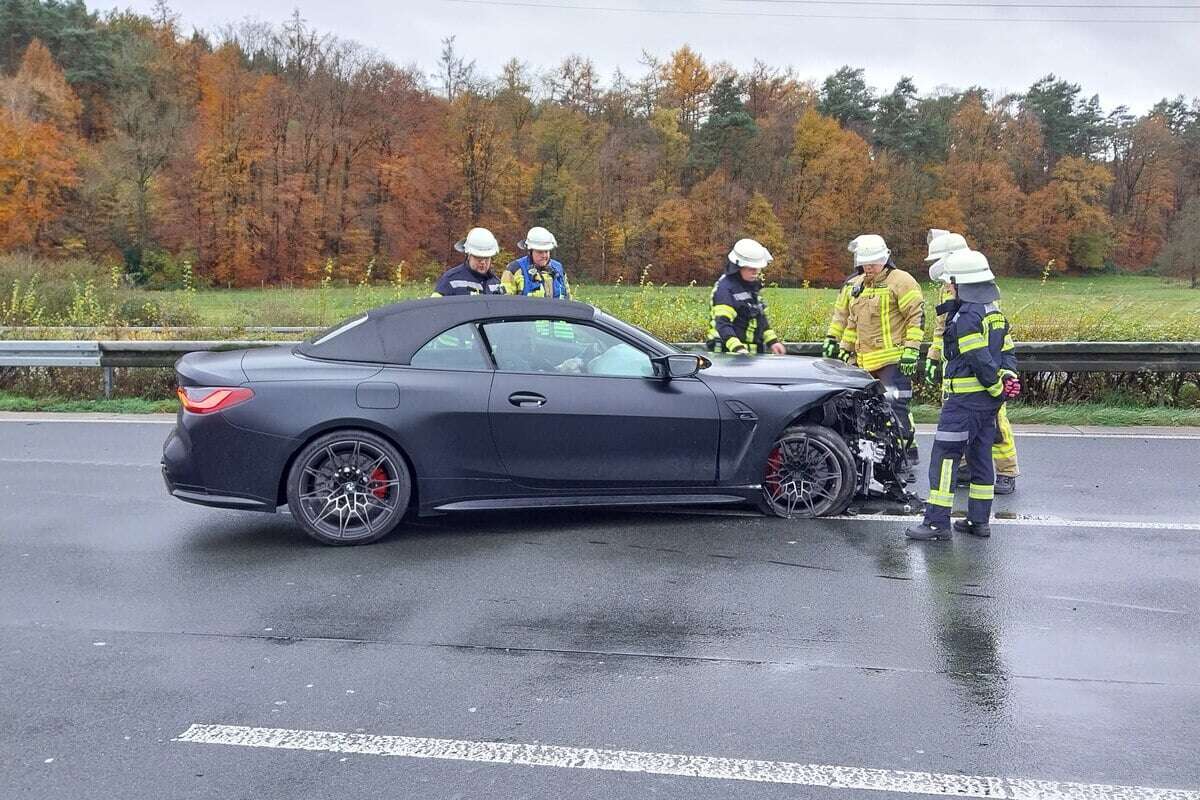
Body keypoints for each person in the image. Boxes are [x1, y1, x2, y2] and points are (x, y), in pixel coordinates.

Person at [906, 249, 1020, 541]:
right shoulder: (994, 311)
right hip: (987, 406)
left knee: (945, 459)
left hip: (964, 404)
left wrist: (995, 384)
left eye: (950, 284)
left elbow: (977, 357)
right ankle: (978, 522)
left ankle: (936, 524)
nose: (947, 288)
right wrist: (1006, 380)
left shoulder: (967, 315)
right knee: (981, 458)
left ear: (961, 284)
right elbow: (1007, 352)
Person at [925, 230, 1020, 495]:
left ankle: (1006, 471)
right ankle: (966, 466)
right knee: (960, 426)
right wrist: (934, 357)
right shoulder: (949, 289)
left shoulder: (978, 288)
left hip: (984, 373)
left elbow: (994, 338)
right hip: (956, 371)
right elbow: (942, 329)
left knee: (996, 424)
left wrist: (1001, 377)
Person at [836, 234, 924, 463]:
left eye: (873, 263)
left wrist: (912, 350)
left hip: (892, 361)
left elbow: (915, 317)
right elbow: (853, 322)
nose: (868, 268)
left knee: (895, 409)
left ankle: (903, 456)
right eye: (864, 264)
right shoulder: (857, 286)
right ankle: (883, 457)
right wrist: (845, 349)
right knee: (869, 412)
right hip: (864, 362)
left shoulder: (901, 281)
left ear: (885, 259)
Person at [706, 238, 787, 355]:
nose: (756, 272)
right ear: (738, 267)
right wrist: (738, 349)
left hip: (748, 357)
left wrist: (773, 342)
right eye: (751, 268)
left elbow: (760, 319)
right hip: (726, 356)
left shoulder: (750, 286)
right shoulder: (725, 289)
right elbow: (723, 324)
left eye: (758, 268)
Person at [432, 227, 505, 297]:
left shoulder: (496, 284)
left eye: (487, 258)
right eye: (478, 257)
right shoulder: (450, 280)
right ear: (468, 255)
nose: (483, 262)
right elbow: (434, 306)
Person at [502, 227, 570, 299]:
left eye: (546, 251)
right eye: (540, 252)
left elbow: (568, 299)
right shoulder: (515, 269)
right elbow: (505, 303)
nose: (544, 256)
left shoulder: (558, 269)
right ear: (530, 251)